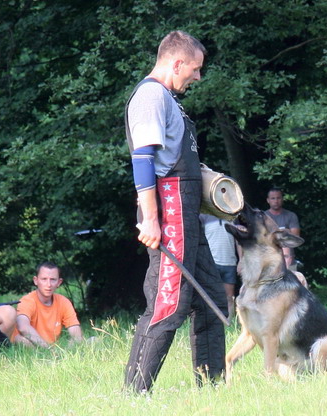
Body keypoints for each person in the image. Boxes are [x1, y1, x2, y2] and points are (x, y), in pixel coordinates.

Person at [124, 30, 228, 393]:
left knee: (212, 300)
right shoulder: (151, 96)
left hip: (187, 212)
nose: (198, 77)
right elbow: (143, 161)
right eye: (195, 69)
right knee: (168, 303)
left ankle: (211, 388)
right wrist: (151, 219)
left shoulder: (169, 99)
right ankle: (134, 394)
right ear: (177, 63)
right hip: (170, 211)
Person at [11, 261, 84, 348]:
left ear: (59, 282)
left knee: (93, 340)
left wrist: (71, 345)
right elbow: (23, 327)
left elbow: (76, 333)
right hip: (30, 345)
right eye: (44, 279)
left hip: (53, 348)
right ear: (36, 280)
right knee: (20, 340)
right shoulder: (27, 301)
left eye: (53, 280)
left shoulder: (64, 302)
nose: (48, 284)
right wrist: (47, 348)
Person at [200, 214, 238, 319]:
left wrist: (241, 260)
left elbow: (238, 241)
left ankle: (229, 322)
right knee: (210, 295)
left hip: (230, 263)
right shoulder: (204, 216)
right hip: (211, 263)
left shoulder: (232, 216)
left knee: (230, 297)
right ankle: (211, 321)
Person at [265, 187, 301, 270]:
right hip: (268, 260)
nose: (276, 201)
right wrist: (286, 232)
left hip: (288, 260)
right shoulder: (263, 217)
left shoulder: (291, 216)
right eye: (273, 198)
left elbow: (296, 236)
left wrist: (274, 233)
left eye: (278, 198)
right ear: (268, 200)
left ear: (282, 199)